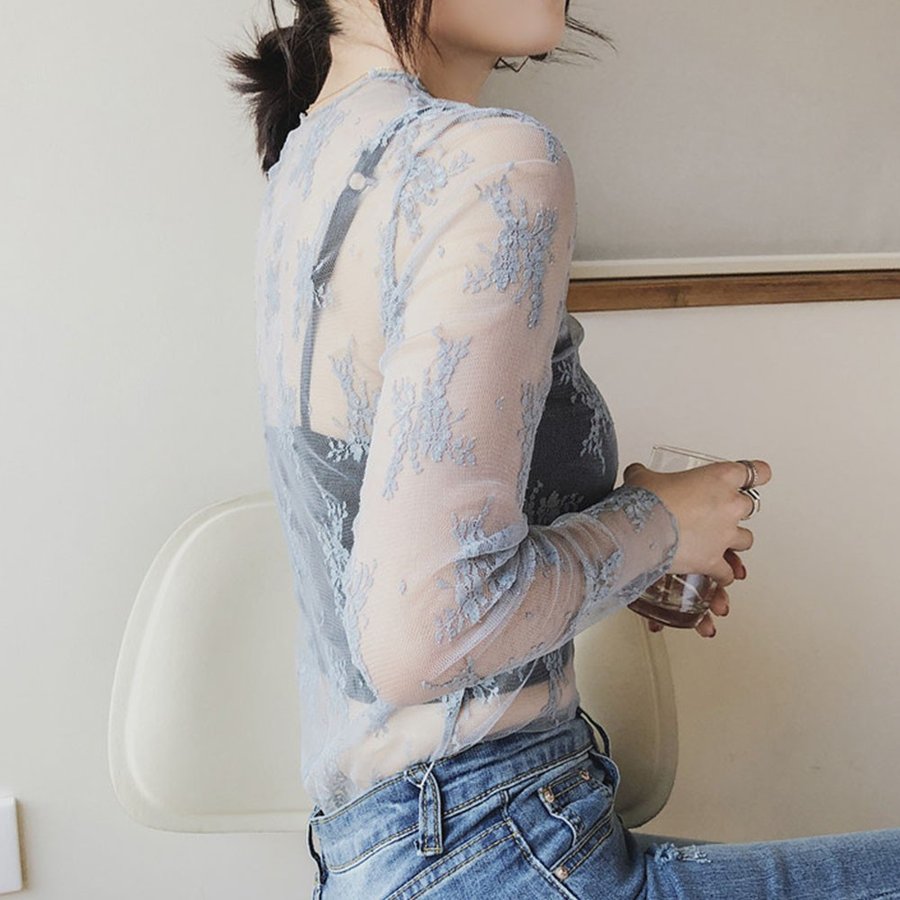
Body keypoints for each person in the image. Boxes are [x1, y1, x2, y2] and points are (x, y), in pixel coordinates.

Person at [227, 2, 900, 897]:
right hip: (491, 849)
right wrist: (657, 524)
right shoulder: (487, 158)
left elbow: (392, 571)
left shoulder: (311, 159)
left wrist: (625, 556)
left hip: (381, 856)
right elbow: (426, 633)